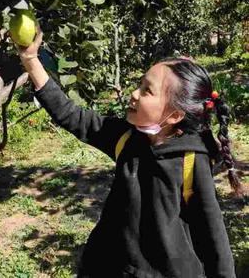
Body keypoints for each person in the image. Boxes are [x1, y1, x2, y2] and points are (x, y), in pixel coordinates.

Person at [14, 28, 242, 278]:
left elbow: (213, 237)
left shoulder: (191, 161)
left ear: (175, 115)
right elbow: (72, 116)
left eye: (147, 91)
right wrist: (31, 61)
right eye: (139, 85)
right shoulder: (127, 138)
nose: (134, 94)